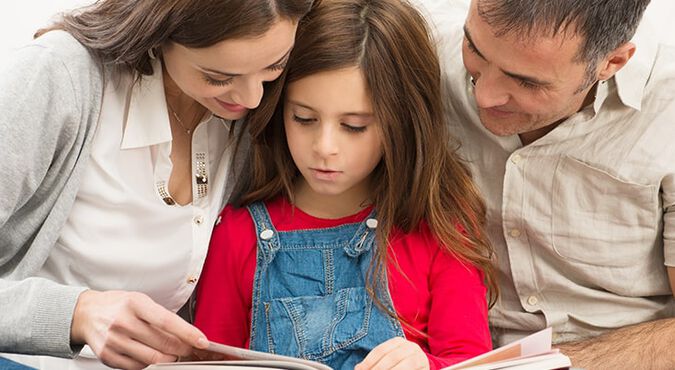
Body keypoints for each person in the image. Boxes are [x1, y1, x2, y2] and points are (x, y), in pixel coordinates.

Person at [0, 0, 315, 369]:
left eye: (273, 66)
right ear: (160, 31)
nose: (252, 97)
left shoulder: (258, 114)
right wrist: (78, 313)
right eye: (217, 77)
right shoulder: (61, 76)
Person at [193, 0, 498, 369]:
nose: (324, 148)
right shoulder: (237, 232)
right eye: (304, 118)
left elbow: (474, 361)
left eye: (354, 126)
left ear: (400, 123)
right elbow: (209, 362)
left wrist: (424, 366)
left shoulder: (440, 226)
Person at [415, 0, 675, 368]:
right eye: (473, 49)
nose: (484, 95)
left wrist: (536, 365)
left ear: (611, 63)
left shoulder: (669, 109)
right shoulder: (421, 49)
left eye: (525, 82)